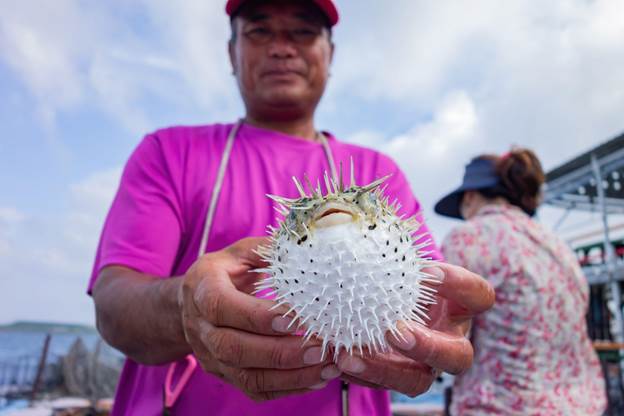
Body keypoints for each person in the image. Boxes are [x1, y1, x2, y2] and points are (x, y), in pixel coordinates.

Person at [89, 1, 495, 414]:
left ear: (330, 54)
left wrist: (444, 322)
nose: (282, 48)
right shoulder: (169, 153)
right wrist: (184, 306)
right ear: (232, 53)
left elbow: (430, 295)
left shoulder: (379, 174)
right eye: (260, 31)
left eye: (302, 32)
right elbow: (113, 307)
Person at [435, 148, 607, 415]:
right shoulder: (557, 245)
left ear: (469, 197)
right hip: (584, 405)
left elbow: (446, 332)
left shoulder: (468, 237)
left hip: (503, 406)